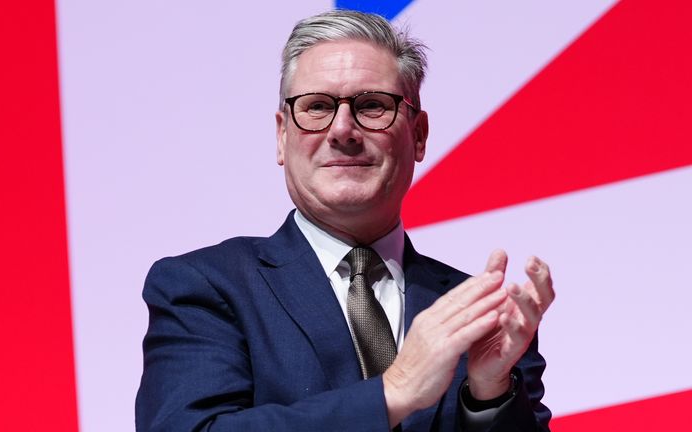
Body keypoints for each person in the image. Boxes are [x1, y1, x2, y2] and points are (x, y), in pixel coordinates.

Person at [136, 10, 554, 432]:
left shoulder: (479, 313)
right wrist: (392, 392)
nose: (342, 129)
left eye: (372, 106)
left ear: (419, 134)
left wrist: (491, 394)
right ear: (282, 136)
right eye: (316, 107)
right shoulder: (206, 286)